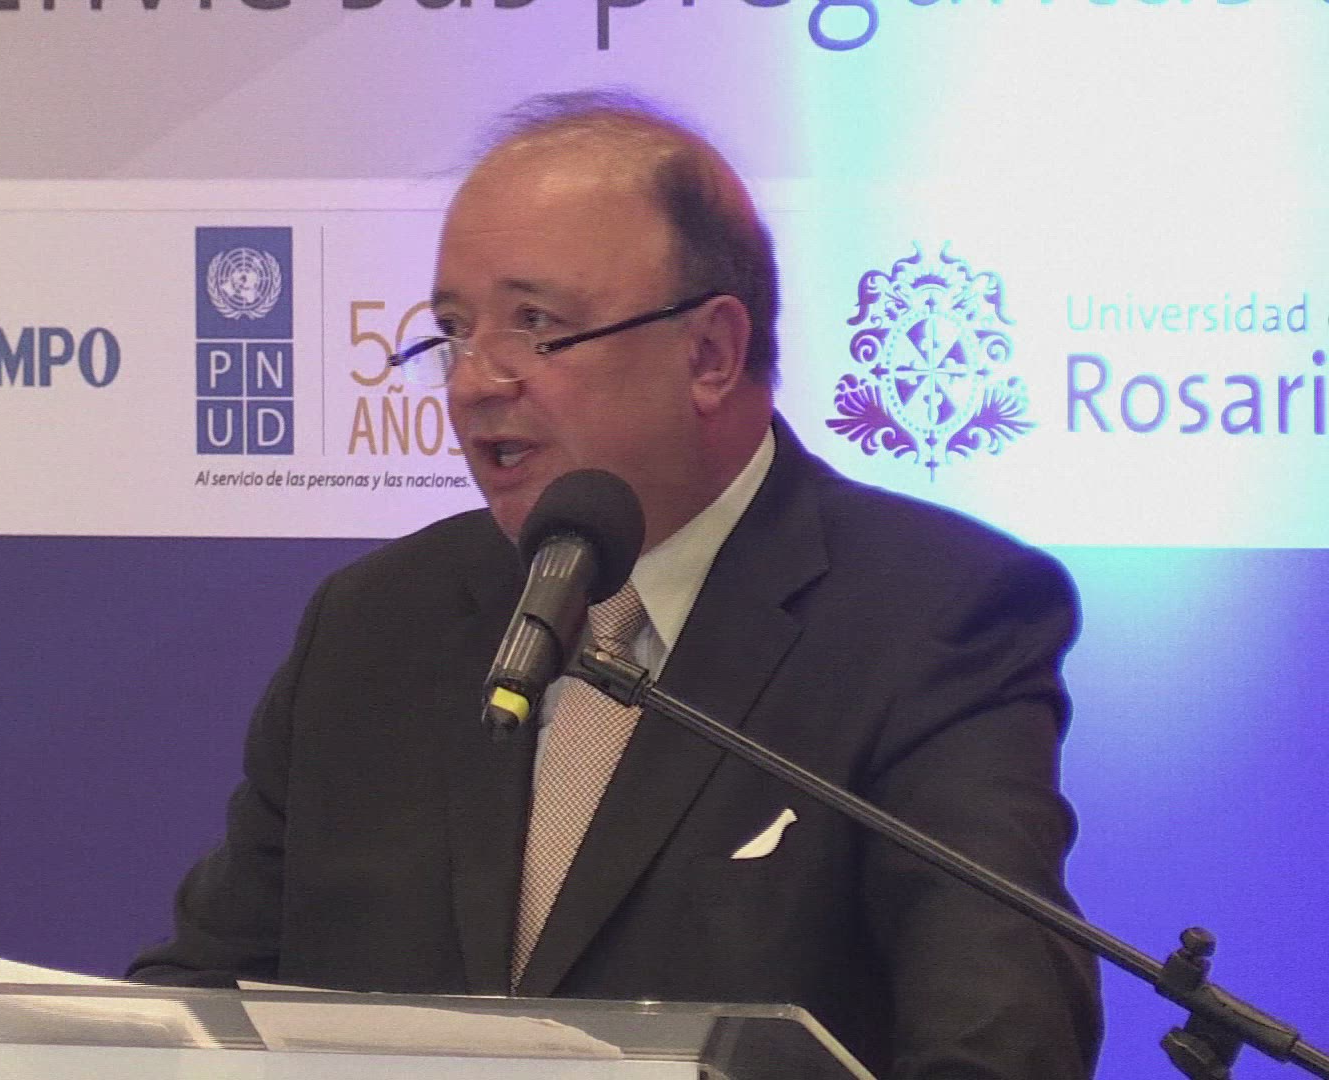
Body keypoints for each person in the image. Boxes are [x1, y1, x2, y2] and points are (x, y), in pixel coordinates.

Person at [130, 90, 1102, 1080]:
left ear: (710, 354)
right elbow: (201, 1002)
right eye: (455, 330)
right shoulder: (377, 622)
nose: (473, 382)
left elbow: (999, 1044)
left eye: (537, 325)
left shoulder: (930, 617)